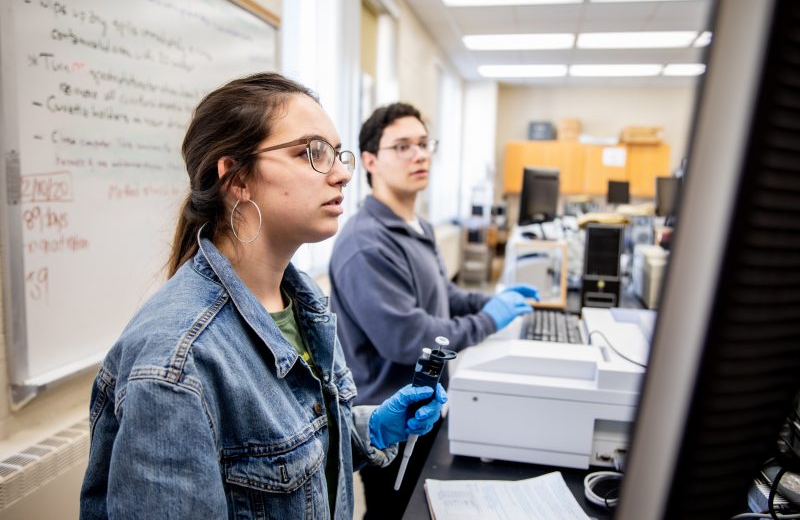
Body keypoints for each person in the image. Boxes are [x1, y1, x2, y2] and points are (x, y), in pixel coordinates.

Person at [79, 73, 447, 520]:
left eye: (336, 153)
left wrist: (370, 428)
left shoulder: (300, 303)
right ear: (236, 179)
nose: (343, 174)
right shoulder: (177, 361)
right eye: (311, 153)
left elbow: (285, 456)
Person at [328, 102, 539, 519]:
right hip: (390, 419)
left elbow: (443, 293)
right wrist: (487, 321)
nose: (420, 154)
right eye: (403, 146)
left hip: (427, 406)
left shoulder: (416, 226)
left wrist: (490, 301)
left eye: (424, 144)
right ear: (369, 160)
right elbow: (408, 338)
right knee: (396, 513)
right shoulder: (366, 244)